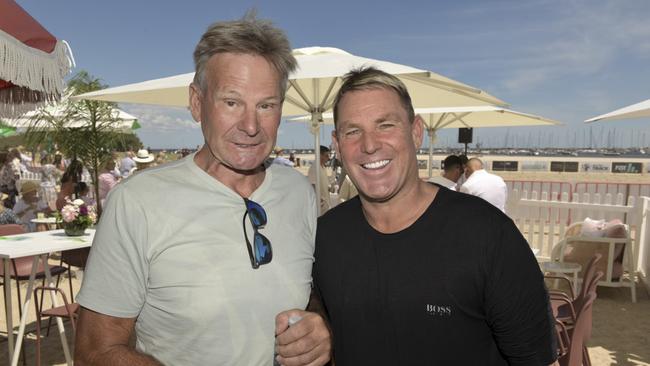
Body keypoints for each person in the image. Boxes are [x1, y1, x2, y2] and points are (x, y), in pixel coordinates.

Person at [75, 13, 331, 366]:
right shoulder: (137, 203)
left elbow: (308, 292)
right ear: (197, 103)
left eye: (266, 105)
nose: (251, 125)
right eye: (231, 102)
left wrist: (317, 329)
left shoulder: (298, 191)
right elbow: (95, 353)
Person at [313, 67, 556, 365]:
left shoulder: (488, 235)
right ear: (337, 145)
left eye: (385, 125)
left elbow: (535, 359)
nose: (369, 144)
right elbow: (320, 317)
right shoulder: (325, 238)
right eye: (353, 131)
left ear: (416, 133)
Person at [308, 145, 333, 214]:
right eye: (326, 156)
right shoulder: (314, 168)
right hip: (319, 206)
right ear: (320, 155)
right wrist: (318, 199)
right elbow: (312, 185)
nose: (328, 158)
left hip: (326, 204)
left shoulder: (323, 167)